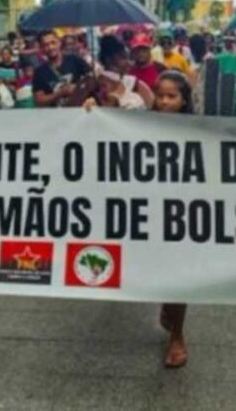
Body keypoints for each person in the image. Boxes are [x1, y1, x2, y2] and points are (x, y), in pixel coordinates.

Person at [153, 70, 194, 368]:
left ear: (184, 100)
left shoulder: (196, 128)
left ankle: (177, 336)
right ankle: (167, 304)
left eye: (172, 96)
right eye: (161, 95)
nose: (165, 101)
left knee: (179, 274)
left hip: (182, 210)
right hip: (149, 208)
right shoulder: (140, 124)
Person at [32, 30, 92, 108]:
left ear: (59, 43)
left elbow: (91, 78)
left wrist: (78, 88)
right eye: (46, 45)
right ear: (42, 48)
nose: (50, 47)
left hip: (79, 111)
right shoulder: (39, 72)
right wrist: (60, 93)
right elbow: (39, 100)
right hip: (55, 116)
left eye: (53, 43)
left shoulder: (74, 60)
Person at [95, 35, 153, 110]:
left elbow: (151, 105)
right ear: (108, 60)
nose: (129, 63)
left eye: (128, 58)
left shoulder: (133, 83)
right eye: (122, 58)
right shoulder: (94, 84)